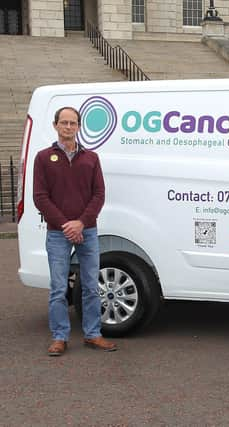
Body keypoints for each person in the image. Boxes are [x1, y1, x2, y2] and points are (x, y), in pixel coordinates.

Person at [33, 106, 117, 356]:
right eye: (64, 123)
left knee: (91, 286)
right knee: (59, 287)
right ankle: (60, 337)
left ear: (79, 126)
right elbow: (40, 197)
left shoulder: (91, 158)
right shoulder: (43, 158)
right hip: (58, 233)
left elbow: (99, 195)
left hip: (87, 231)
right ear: (55, 125)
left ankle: (93, 334)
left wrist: (81, 222)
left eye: (73, 123)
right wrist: (66, 225)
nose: (68, 127)